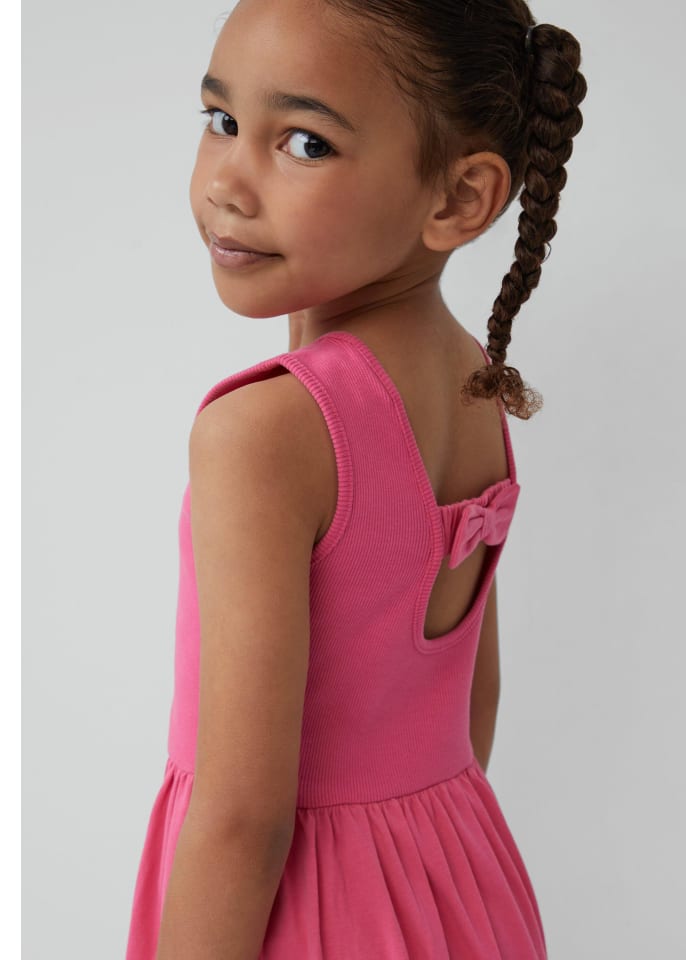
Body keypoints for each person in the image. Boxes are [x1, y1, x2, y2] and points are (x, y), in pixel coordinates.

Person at [125, 0, 587, 956]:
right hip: (460, 890)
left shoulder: (265, 432)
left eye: (305, 143)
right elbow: (472, 706)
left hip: (304, 918)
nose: (228, 183)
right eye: (221, 120)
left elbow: (241, 821)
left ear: (459, 198)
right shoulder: (476, 385)